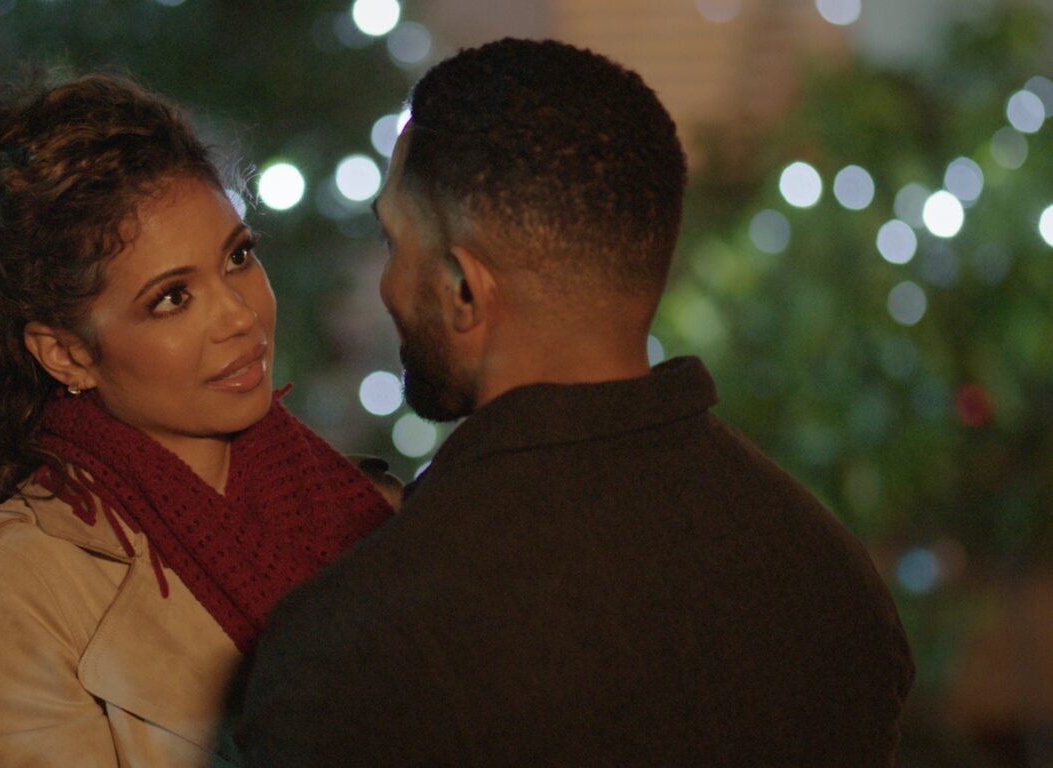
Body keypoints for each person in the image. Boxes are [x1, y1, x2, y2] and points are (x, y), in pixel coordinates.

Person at [236, 38, 915, 766]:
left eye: (392, 238)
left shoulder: (362, 644)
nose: (387, 282)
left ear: (464, 290)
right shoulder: (833, 574)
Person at [0, 72, 395, 767]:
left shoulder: (367, 505)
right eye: (172, 298)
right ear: (65, 353)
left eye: (239, 258)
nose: (241, 317)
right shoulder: (17, 582)